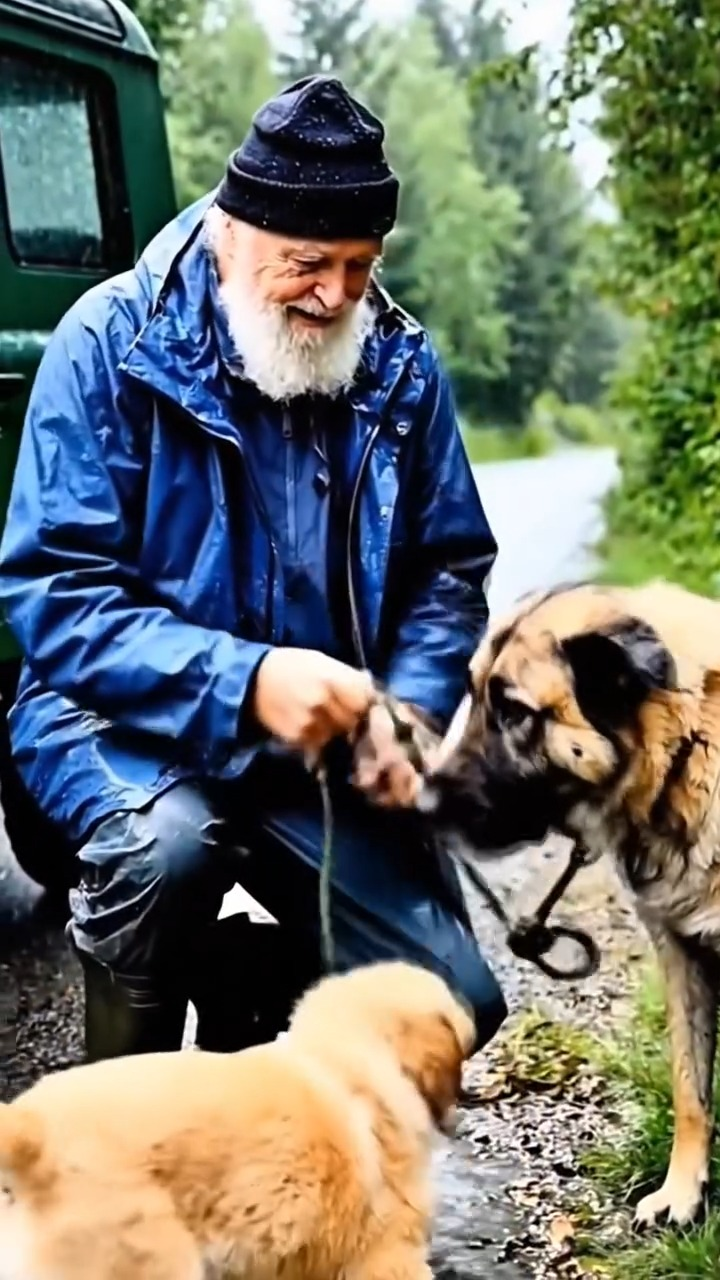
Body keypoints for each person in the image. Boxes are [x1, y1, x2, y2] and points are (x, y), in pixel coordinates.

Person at [0, 74, 506, 1062]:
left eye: (362, 265)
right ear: (232, 232)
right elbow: (54, 592)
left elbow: (448, 567)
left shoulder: (399, 363)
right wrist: (248, 679)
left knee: (450, 1005)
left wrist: (405, 707)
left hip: (315, 746)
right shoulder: (107, 342)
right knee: (167, 852)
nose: (337, 294)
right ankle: (129, 1141)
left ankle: (242, 990)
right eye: (310, 262)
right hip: (118, 718)